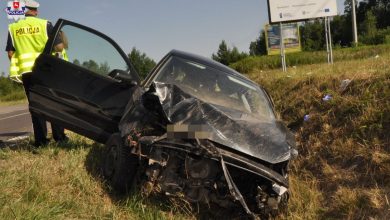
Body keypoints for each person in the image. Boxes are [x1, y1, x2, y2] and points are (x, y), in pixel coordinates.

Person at [6, 0, 68, 147]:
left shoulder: (13, 28)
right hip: (47, 70)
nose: (37, 12)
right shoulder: (45, 24)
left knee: (36, 104)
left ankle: (41, 141)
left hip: (28, 72)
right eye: (35, 10)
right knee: (53, 103)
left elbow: (10, 53)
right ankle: (59, 138)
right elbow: (59, 47)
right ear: (33, 11)